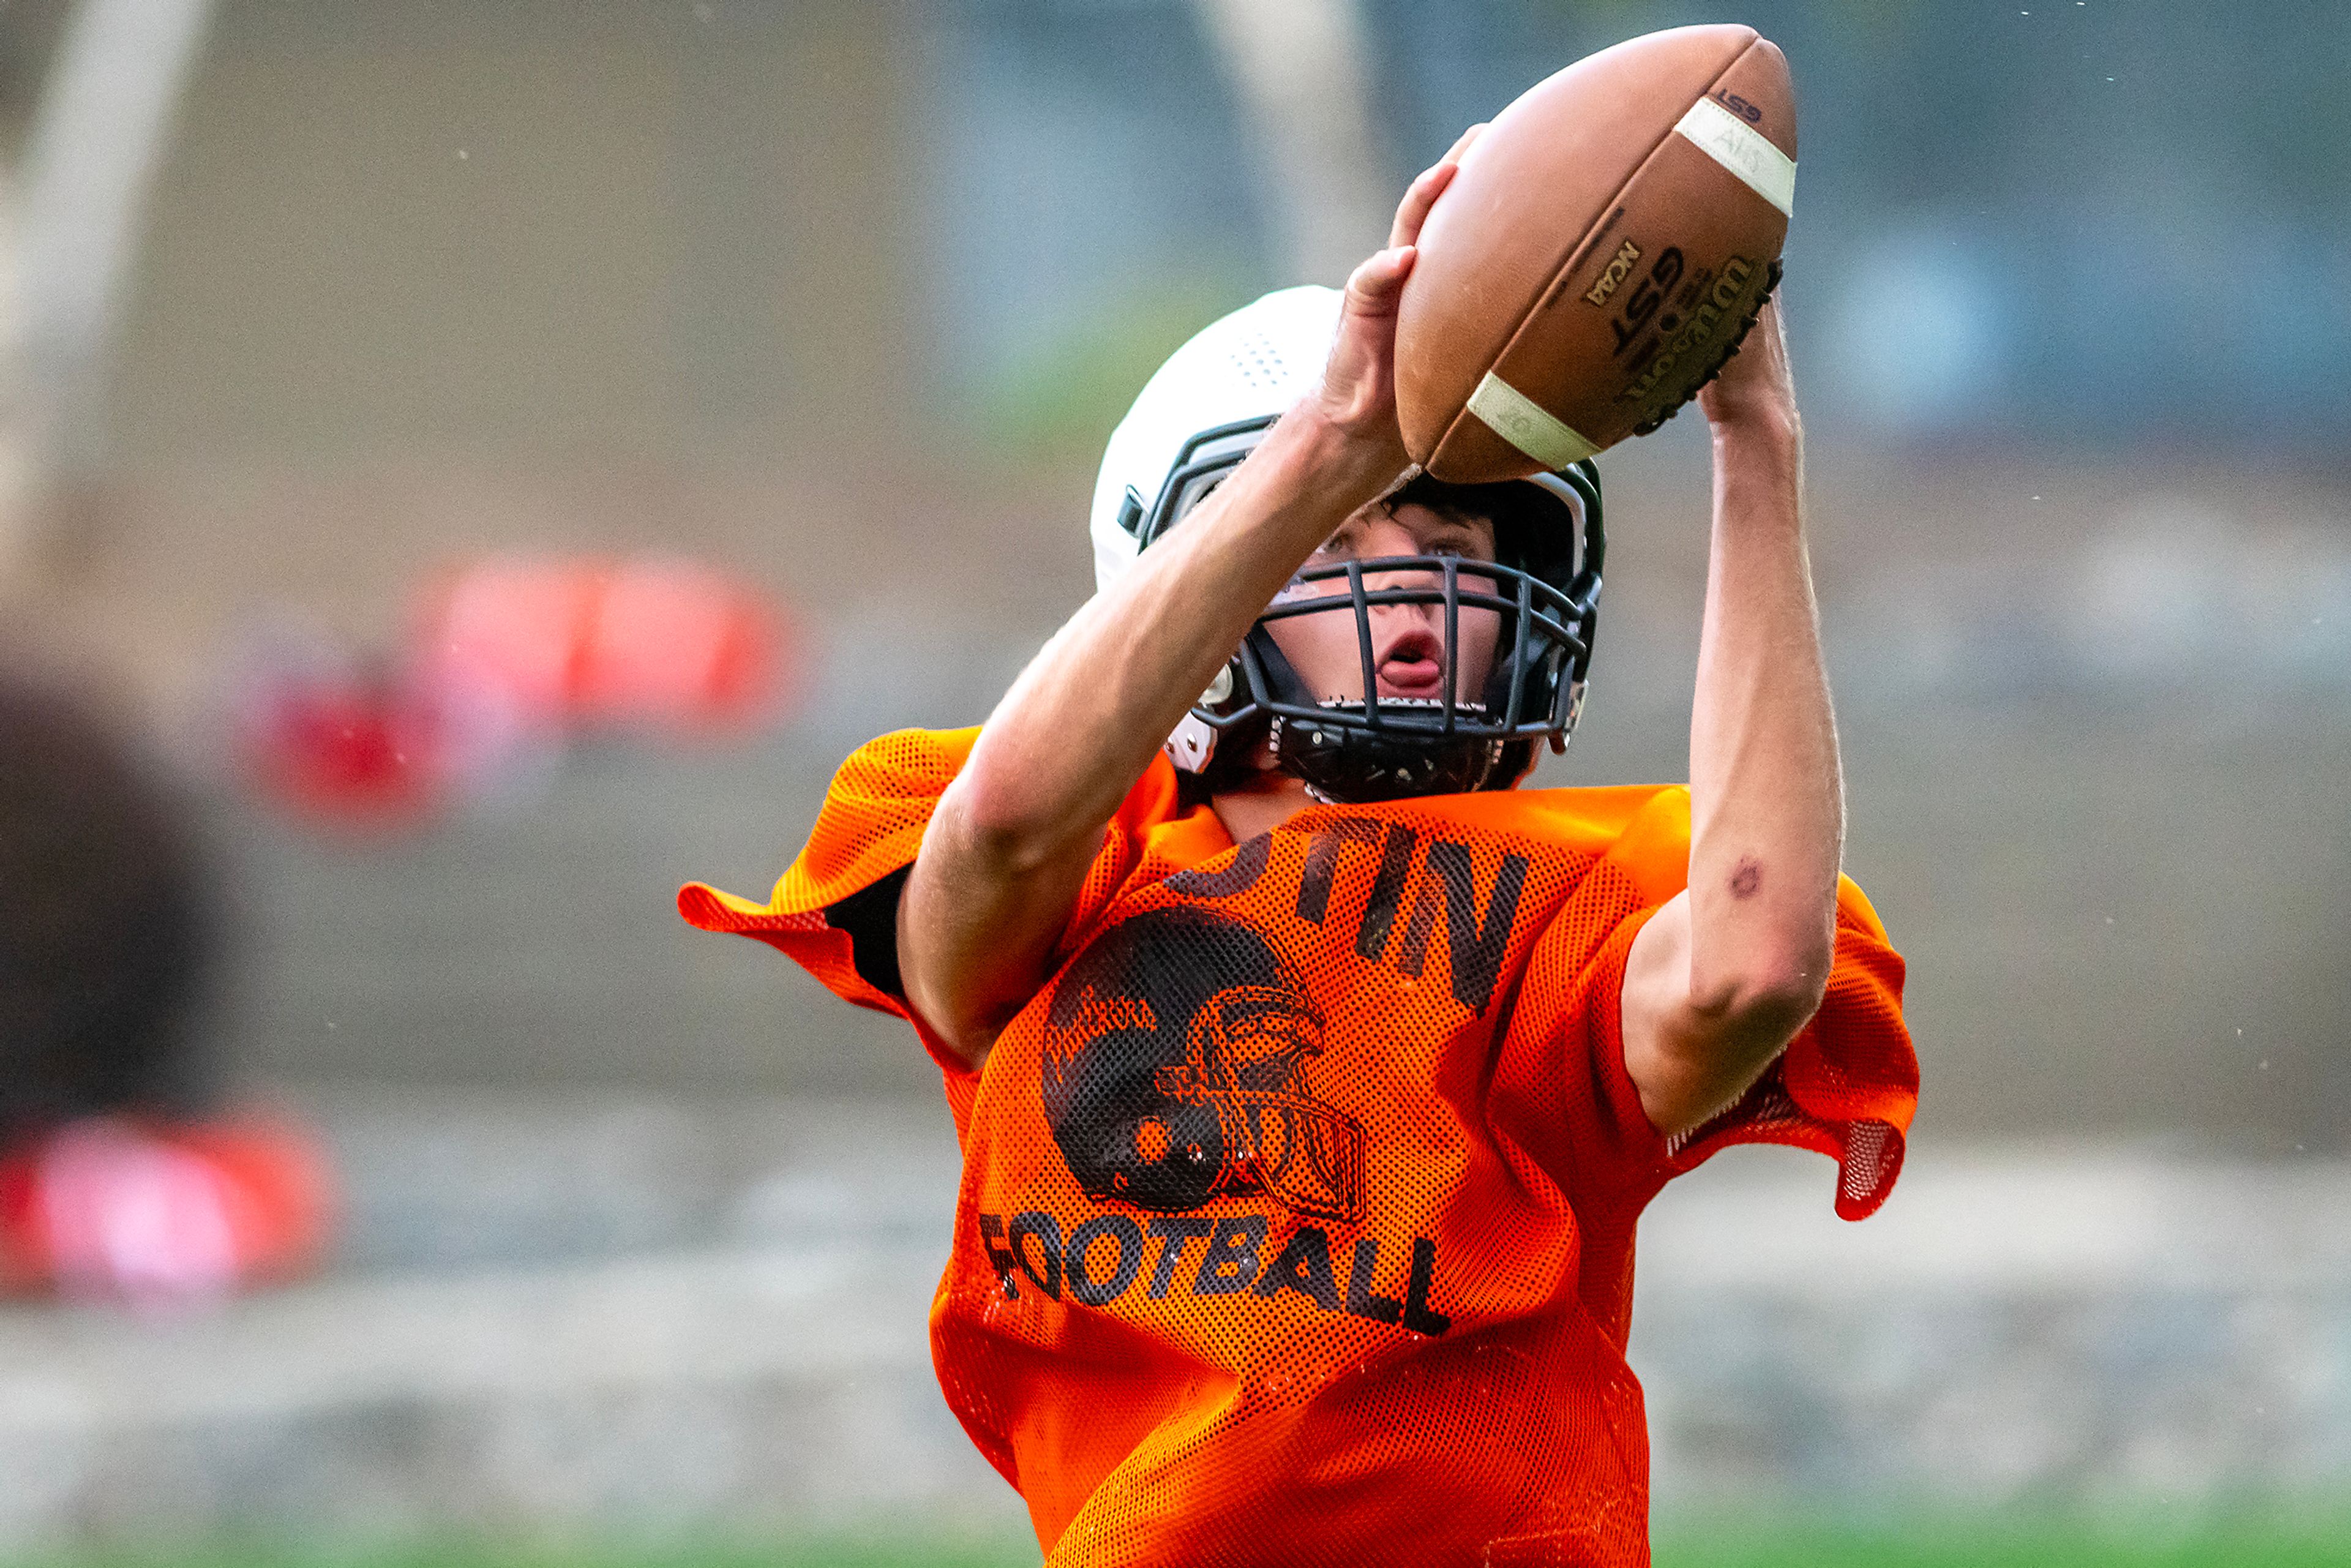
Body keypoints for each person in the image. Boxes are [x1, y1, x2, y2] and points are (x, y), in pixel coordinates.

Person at [681, 129, 1916, 1567]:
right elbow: (1009, 830)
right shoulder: (1067, 872)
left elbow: (1755, 961)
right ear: (1194, 575)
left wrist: (1755, 442)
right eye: (1346, 548)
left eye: (1466, 546)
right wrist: (1330, 443)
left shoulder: (1575, 887)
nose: (1418, 597)